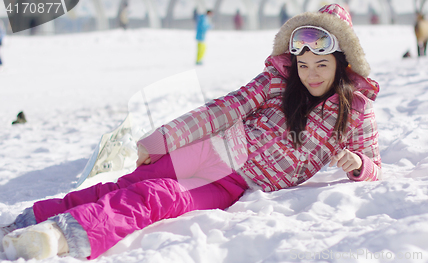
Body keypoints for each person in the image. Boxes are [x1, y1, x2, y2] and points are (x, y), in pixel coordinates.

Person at [0, 4, 381, 260]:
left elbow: (374, 164)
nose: (310, 73)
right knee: (123, 187)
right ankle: (27, 222)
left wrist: (358, 164)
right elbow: (220, 111)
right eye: (304, 64)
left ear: (341, 63)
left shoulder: (355, 113)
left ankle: (60, 237)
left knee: (159, 198)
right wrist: (160, 140)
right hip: (210, 150)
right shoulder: (275, 83)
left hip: (234, 185)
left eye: (321, 64)